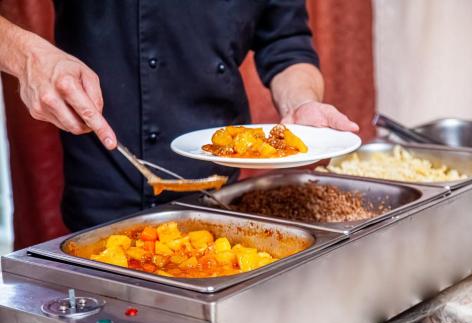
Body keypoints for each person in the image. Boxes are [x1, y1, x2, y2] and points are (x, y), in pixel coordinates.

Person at [0, 1, 359, 231]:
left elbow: (286, 42)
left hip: (219, 198)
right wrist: (25, 54)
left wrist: (301, 102)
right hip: (105, 188)